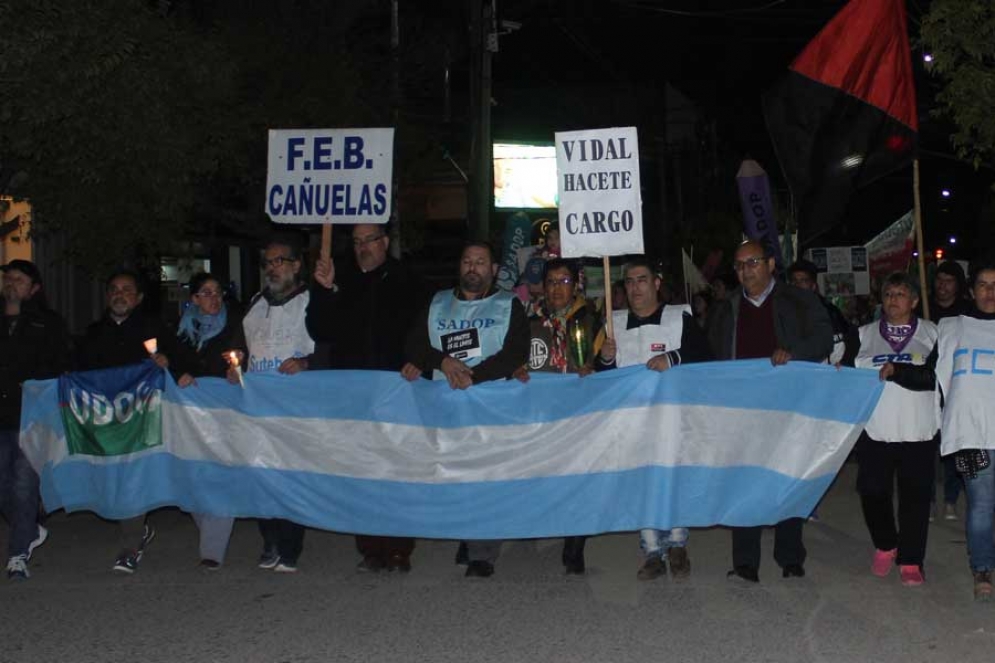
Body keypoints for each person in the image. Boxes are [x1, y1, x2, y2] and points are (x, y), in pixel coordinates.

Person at [402, 241, 529, 578]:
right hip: (444, 406)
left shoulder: (509, 304)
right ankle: (467, 533)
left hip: (489, 405)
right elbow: (413, 343)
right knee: (454, 475)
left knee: (485, 476)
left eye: (481, 262)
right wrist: (442, 362)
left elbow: (516, 351)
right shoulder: (437, 302)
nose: (473, 267)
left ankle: (482, 553)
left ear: (494, 269)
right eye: (467, 261)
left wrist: (471, 376)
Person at [306, 223, 427, 574]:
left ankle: (400, 548)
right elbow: (319, 329)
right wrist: (324, 290)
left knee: (398, 471)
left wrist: (417, 360)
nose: (363, 247)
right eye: (357, 241)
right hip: (354, 395)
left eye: (370, 240)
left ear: (385, 242)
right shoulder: (340, 279)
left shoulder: (408, 280)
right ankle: (370, 547)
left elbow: (425, 327)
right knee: (361, 470)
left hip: (398, 390)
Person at [710, 240, 833, 583]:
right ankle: (746, 561)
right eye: (738, 265)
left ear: (770, 265)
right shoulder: (726, 308)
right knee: (744, 484)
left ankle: (790, 556)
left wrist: (793, 353)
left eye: (752, 262)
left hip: (789, 407)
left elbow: (825, 338)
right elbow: (712, 357)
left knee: (788, 480)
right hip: (742, 411)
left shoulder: (800, 300)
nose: (745, 270)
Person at [593, 257, 712, 581]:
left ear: (656, 283)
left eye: (641, 280)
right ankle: (652, 551)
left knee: (673, 481)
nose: (635, 288)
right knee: (641, 485)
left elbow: (705, 356)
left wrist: (672, 357)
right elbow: (598, 378)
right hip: (632, 424)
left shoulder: (678, 318)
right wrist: (604, 359)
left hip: (674, 420)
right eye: (629, 282)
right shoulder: (612, 324)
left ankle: (677, 544)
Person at [76, 269, 177, 574]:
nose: (120, 295)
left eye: (127, 290)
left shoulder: (154, 329)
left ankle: (130, 544)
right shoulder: (93, 332)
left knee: (133, 478)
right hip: (105, 420)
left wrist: (166, 363)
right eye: (114, 289)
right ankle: (137, 530)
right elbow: (77, 370)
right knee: (113, 480)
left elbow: (183, 362)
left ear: (139, 298)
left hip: (142, 419)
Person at [842, 273, 939, 586]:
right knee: (872, 492)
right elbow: (844, 374)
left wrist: (898, 372)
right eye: (888, 294)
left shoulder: (933, 333)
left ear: (913, 301)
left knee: (915, 498)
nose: (893, 299)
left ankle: (911, 560)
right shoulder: (863, 334)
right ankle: (886, 544)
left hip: (919, 431)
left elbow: (933, 378)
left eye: (901, 294)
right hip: (875, 430)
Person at [232, 236, 315, 574]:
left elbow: (327, 345)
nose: (272, 268)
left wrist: (307, 364)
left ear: (296, 265)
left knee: (290, 475)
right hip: (258, 407)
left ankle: (290, 546)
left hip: (295, 407)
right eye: (268, 262)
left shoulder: (311, 301)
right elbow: (239, 346)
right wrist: (234, 362)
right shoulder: (255, 303)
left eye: (279, 261)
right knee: (261, 475)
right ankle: (270, 540)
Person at [513, 258, 601, 574]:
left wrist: (603, 361)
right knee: (542, 477)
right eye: (551, 282)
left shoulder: (593, 320)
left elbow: (608, 369)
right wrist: (516, 369)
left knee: (580, 481)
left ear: (575, 285)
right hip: (541, 416)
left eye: (564, 281)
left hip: (581, 414)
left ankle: (575, 545)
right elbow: (514, 358)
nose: (557, 289)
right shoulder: (528, 321)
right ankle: (535, 526)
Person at [919, 257, 995, 601]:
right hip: (970, 435)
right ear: (972, 290)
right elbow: (931, 374)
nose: (990, 291)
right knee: (980, 505)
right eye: (983, 285)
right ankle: (982, 568)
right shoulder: (951, 327)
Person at [0, 260, 70, 579]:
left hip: (31, 416)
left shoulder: (48, 323)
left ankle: (17, 554)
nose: (11, 283)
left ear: (34, 288)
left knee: (24, 481)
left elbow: (61, 364)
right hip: (1, 416)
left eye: (19, 279)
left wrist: (33, 380)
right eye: (8, 279)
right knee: (4, 484)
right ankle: (29, 528)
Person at [173, 272, 245, 570]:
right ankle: (210, 532)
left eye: (218, 292)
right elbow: (172, 362)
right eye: (206, 292)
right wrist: (178, 373)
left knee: (220, 475)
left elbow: (245, 363)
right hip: (189, 417)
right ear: (194, 299)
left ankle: (212, 550)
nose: (214, 298)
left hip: (224, 414)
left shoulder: (236, 327)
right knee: (193, 476)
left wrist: (237, 372)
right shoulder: (180, 331)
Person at [929, 261, 970, 522]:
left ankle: (951, 499)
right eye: (939, 280)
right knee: (929, 445)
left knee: (957, 445)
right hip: (928, 385)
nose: (943, 286)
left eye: (949, 281)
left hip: (958, 385)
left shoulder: (968, 313)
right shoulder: (923, 308)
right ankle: (930, 499)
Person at [787, 259, 852, 365]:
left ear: (813, 286)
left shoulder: (830, 313)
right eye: (793, 281)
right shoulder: (780, 312)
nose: (797, 286)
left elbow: (839, 352)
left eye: (803, 281)